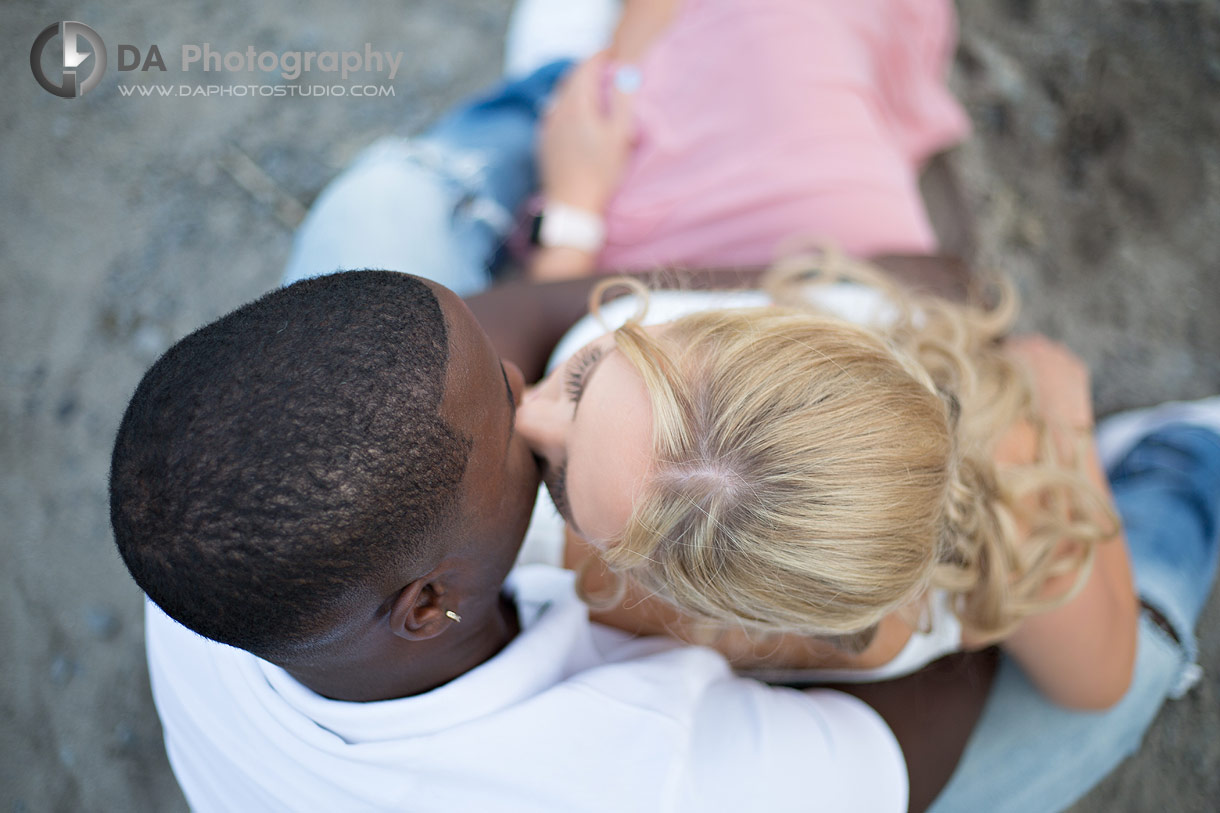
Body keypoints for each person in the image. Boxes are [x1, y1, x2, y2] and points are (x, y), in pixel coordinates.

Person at [115, 73, 994, 813]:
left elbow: (529, 317)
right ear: (428, 603)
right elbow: (907, 740)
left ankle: (572, 82)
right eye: (523, 441)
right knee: (1096, 689)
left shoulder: (202, 500)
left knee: (383, 202)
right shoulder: (640, 766)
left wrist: (577, 220)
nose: (531, 403)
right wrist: (976, 520)